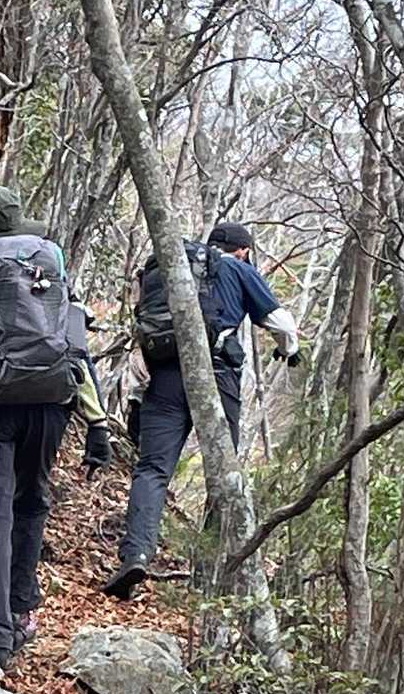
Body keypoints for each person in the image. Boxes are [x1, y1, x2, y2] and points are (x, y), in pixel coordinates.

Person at [0, 185, 111, 669]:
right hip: (51, 401)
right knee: (31, 501)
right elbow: (75, 343)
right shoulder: (47, 267)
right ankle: (21, 612)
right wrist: (97, 422)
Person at [104, 220, 299, 600]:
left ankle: (136, 554)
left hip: (165, 375)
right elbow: (282, 324)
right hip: (217, 378)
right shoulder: (238, 269)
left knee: (153, 469)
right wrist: (289, 350)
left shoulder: (172, 266)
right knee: (222, 474)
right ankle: (206, 572)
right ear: (243, 250)